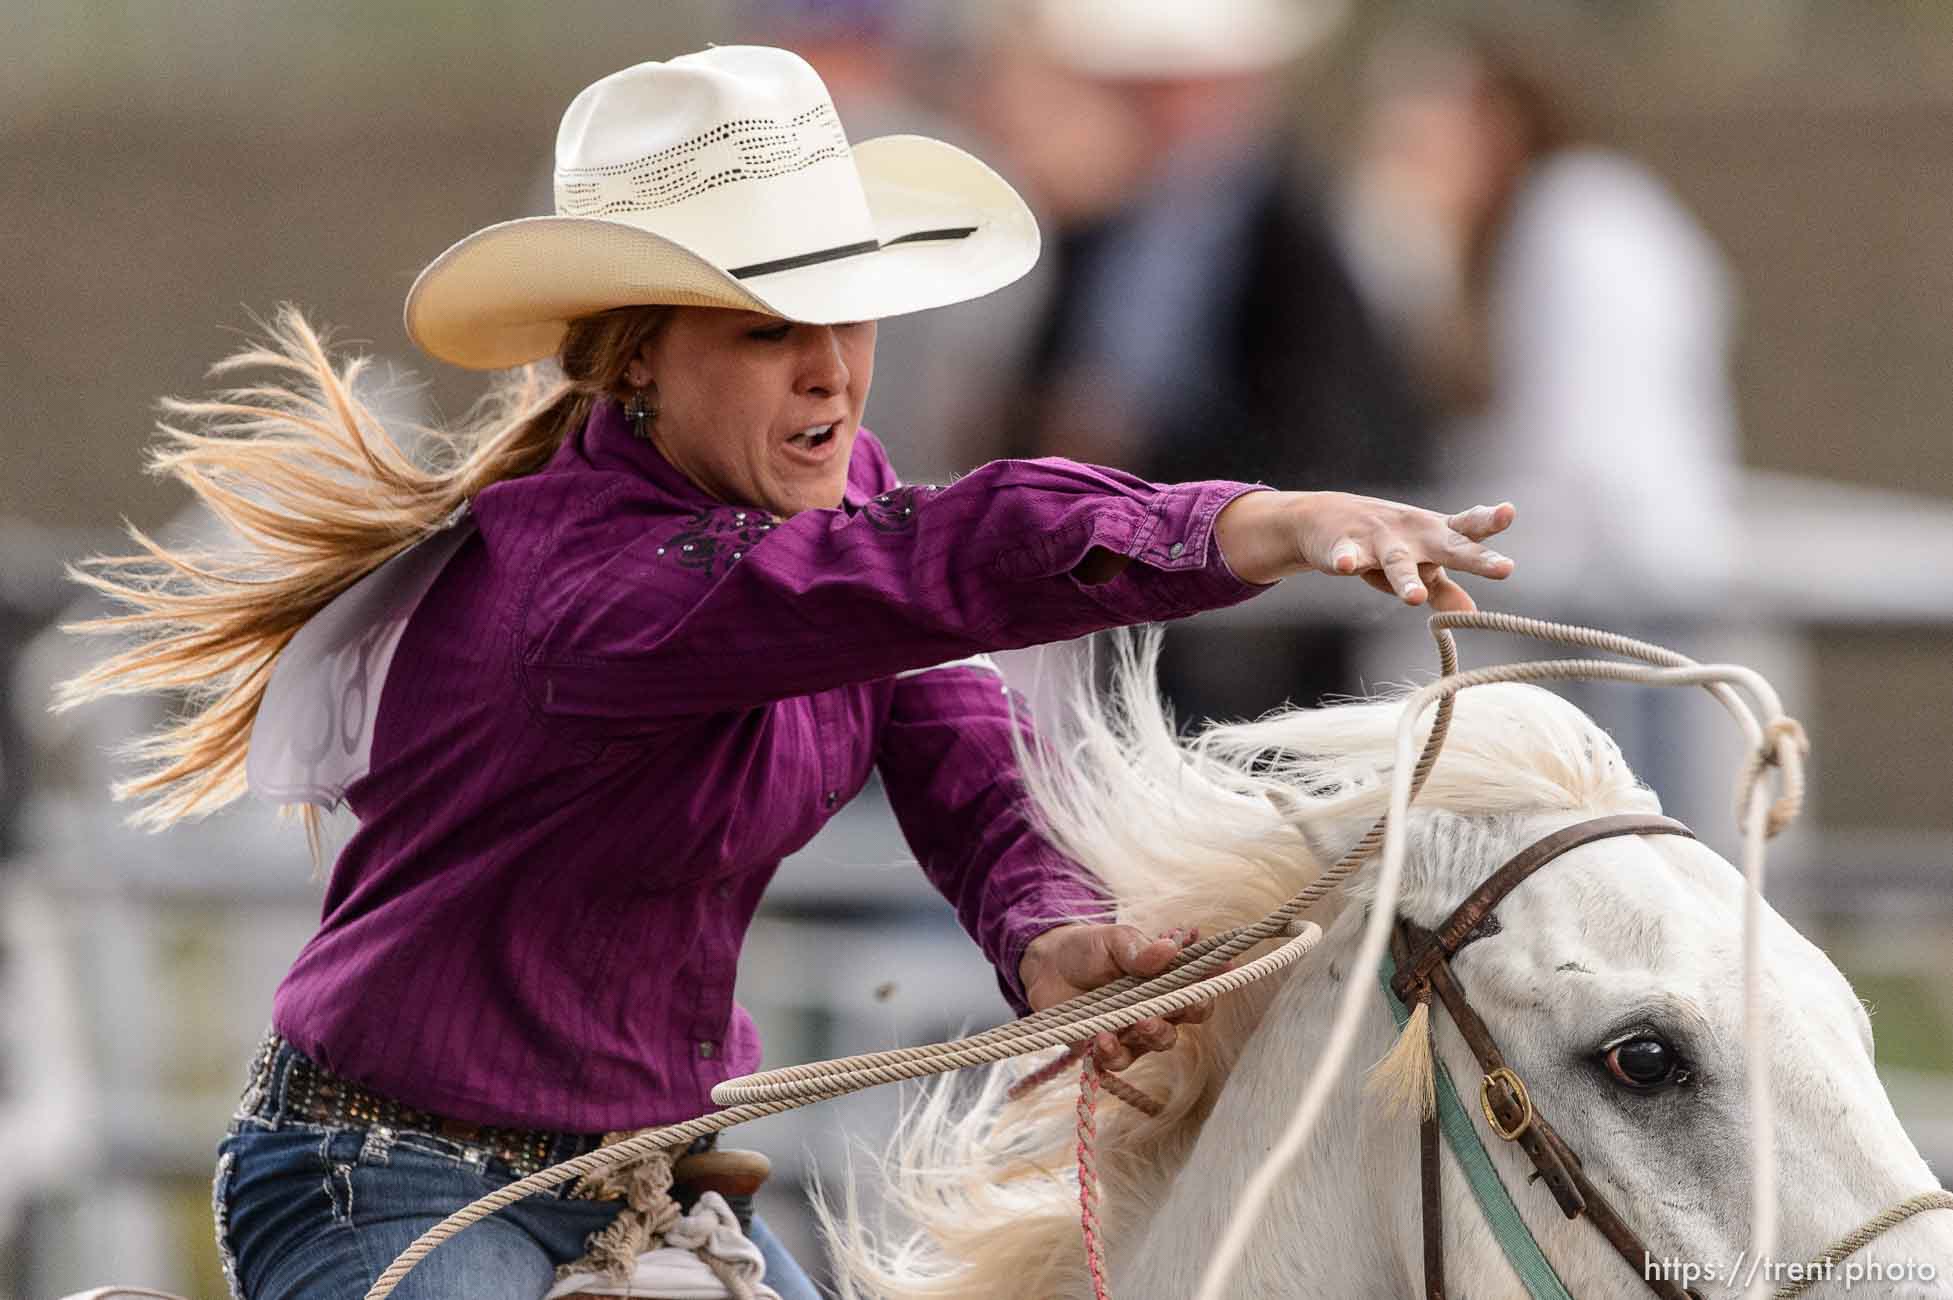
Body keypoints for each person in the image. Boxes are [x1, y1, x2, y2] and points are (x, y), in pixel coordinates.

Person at [57, 46, 1515, 1300]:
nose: (831, 369)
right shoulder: (593, 585)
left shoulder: (814, 517)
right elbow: (927, 567)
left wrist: (1045, 930)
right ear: (636, 359)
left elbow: (956, 744)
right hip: (394, 1188)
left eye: (846, 313)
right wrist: (1247, 523)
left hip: (648, 1184)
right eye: (767, 330)